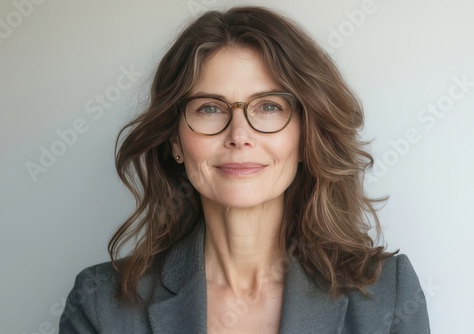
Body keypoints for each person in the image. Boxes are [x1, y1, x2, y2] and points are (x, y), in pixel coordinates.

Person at [59, 6, 430, 334]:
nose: (240, 135)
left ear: (305, 138)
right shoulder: (100, 305)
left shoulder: (388, 294)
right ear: (175, 141)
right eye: (209, 108)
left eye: (269, 107)